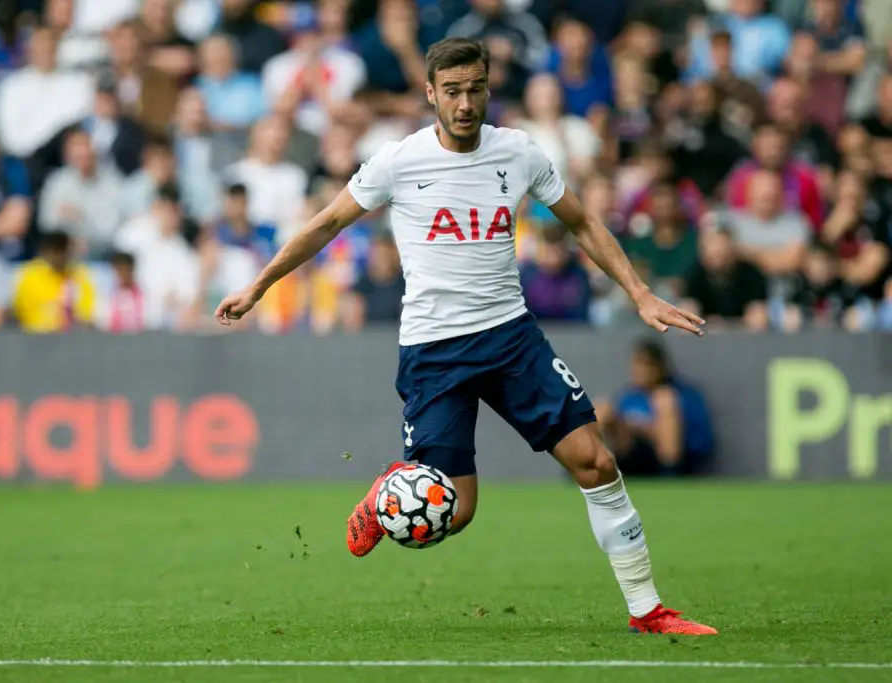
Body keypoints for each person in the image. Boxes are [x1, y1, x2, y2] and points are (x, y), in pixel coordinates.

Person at [215, 38, 715, 636]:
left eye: (475, 88)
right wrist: (260, 286)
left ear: (487, 88)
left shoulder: (519, 153)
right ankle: (384, 499)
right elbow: (326, 223)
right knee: (456, 511)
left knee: (596, 460)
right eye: (452, 91)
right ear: (430, 93)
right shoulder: (399, 161)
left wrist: (639, 292)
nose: (465, 102)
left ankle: (647, 609)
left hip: (511, 339)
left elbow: (580, 221)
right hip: (434, 352)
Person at [596, 340, 715, 478]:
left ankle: (670, 478)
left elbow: (701, 439)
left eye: (646, 365)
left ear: (660, 367)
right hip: (634, 455)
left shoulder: (682, 394)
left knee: (664, 400)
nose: (640, 370)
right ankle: (588, 471)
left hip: (675, 458)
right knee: (602, 408)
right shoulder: (628, 396)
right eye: (636, 364)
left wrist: (650, 429)